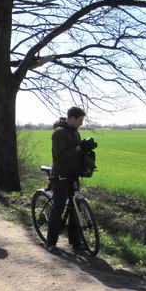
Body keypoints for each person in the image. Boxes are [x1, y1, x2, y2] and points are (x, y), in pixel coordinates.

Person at [45, 106, 88, 252]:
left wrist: (86, 150)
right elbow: (60, 156)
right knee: (59, 207)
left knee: (75, 207)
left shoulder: (75, 132)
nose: (81, 123)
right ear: (72, 118)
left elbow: (78, 153)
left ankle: (76, 242)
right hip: (60, 175)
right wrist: (77, 149)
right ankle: (50, 243)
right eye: (80, 120)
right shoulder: (59, 133)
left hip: (73, 174)